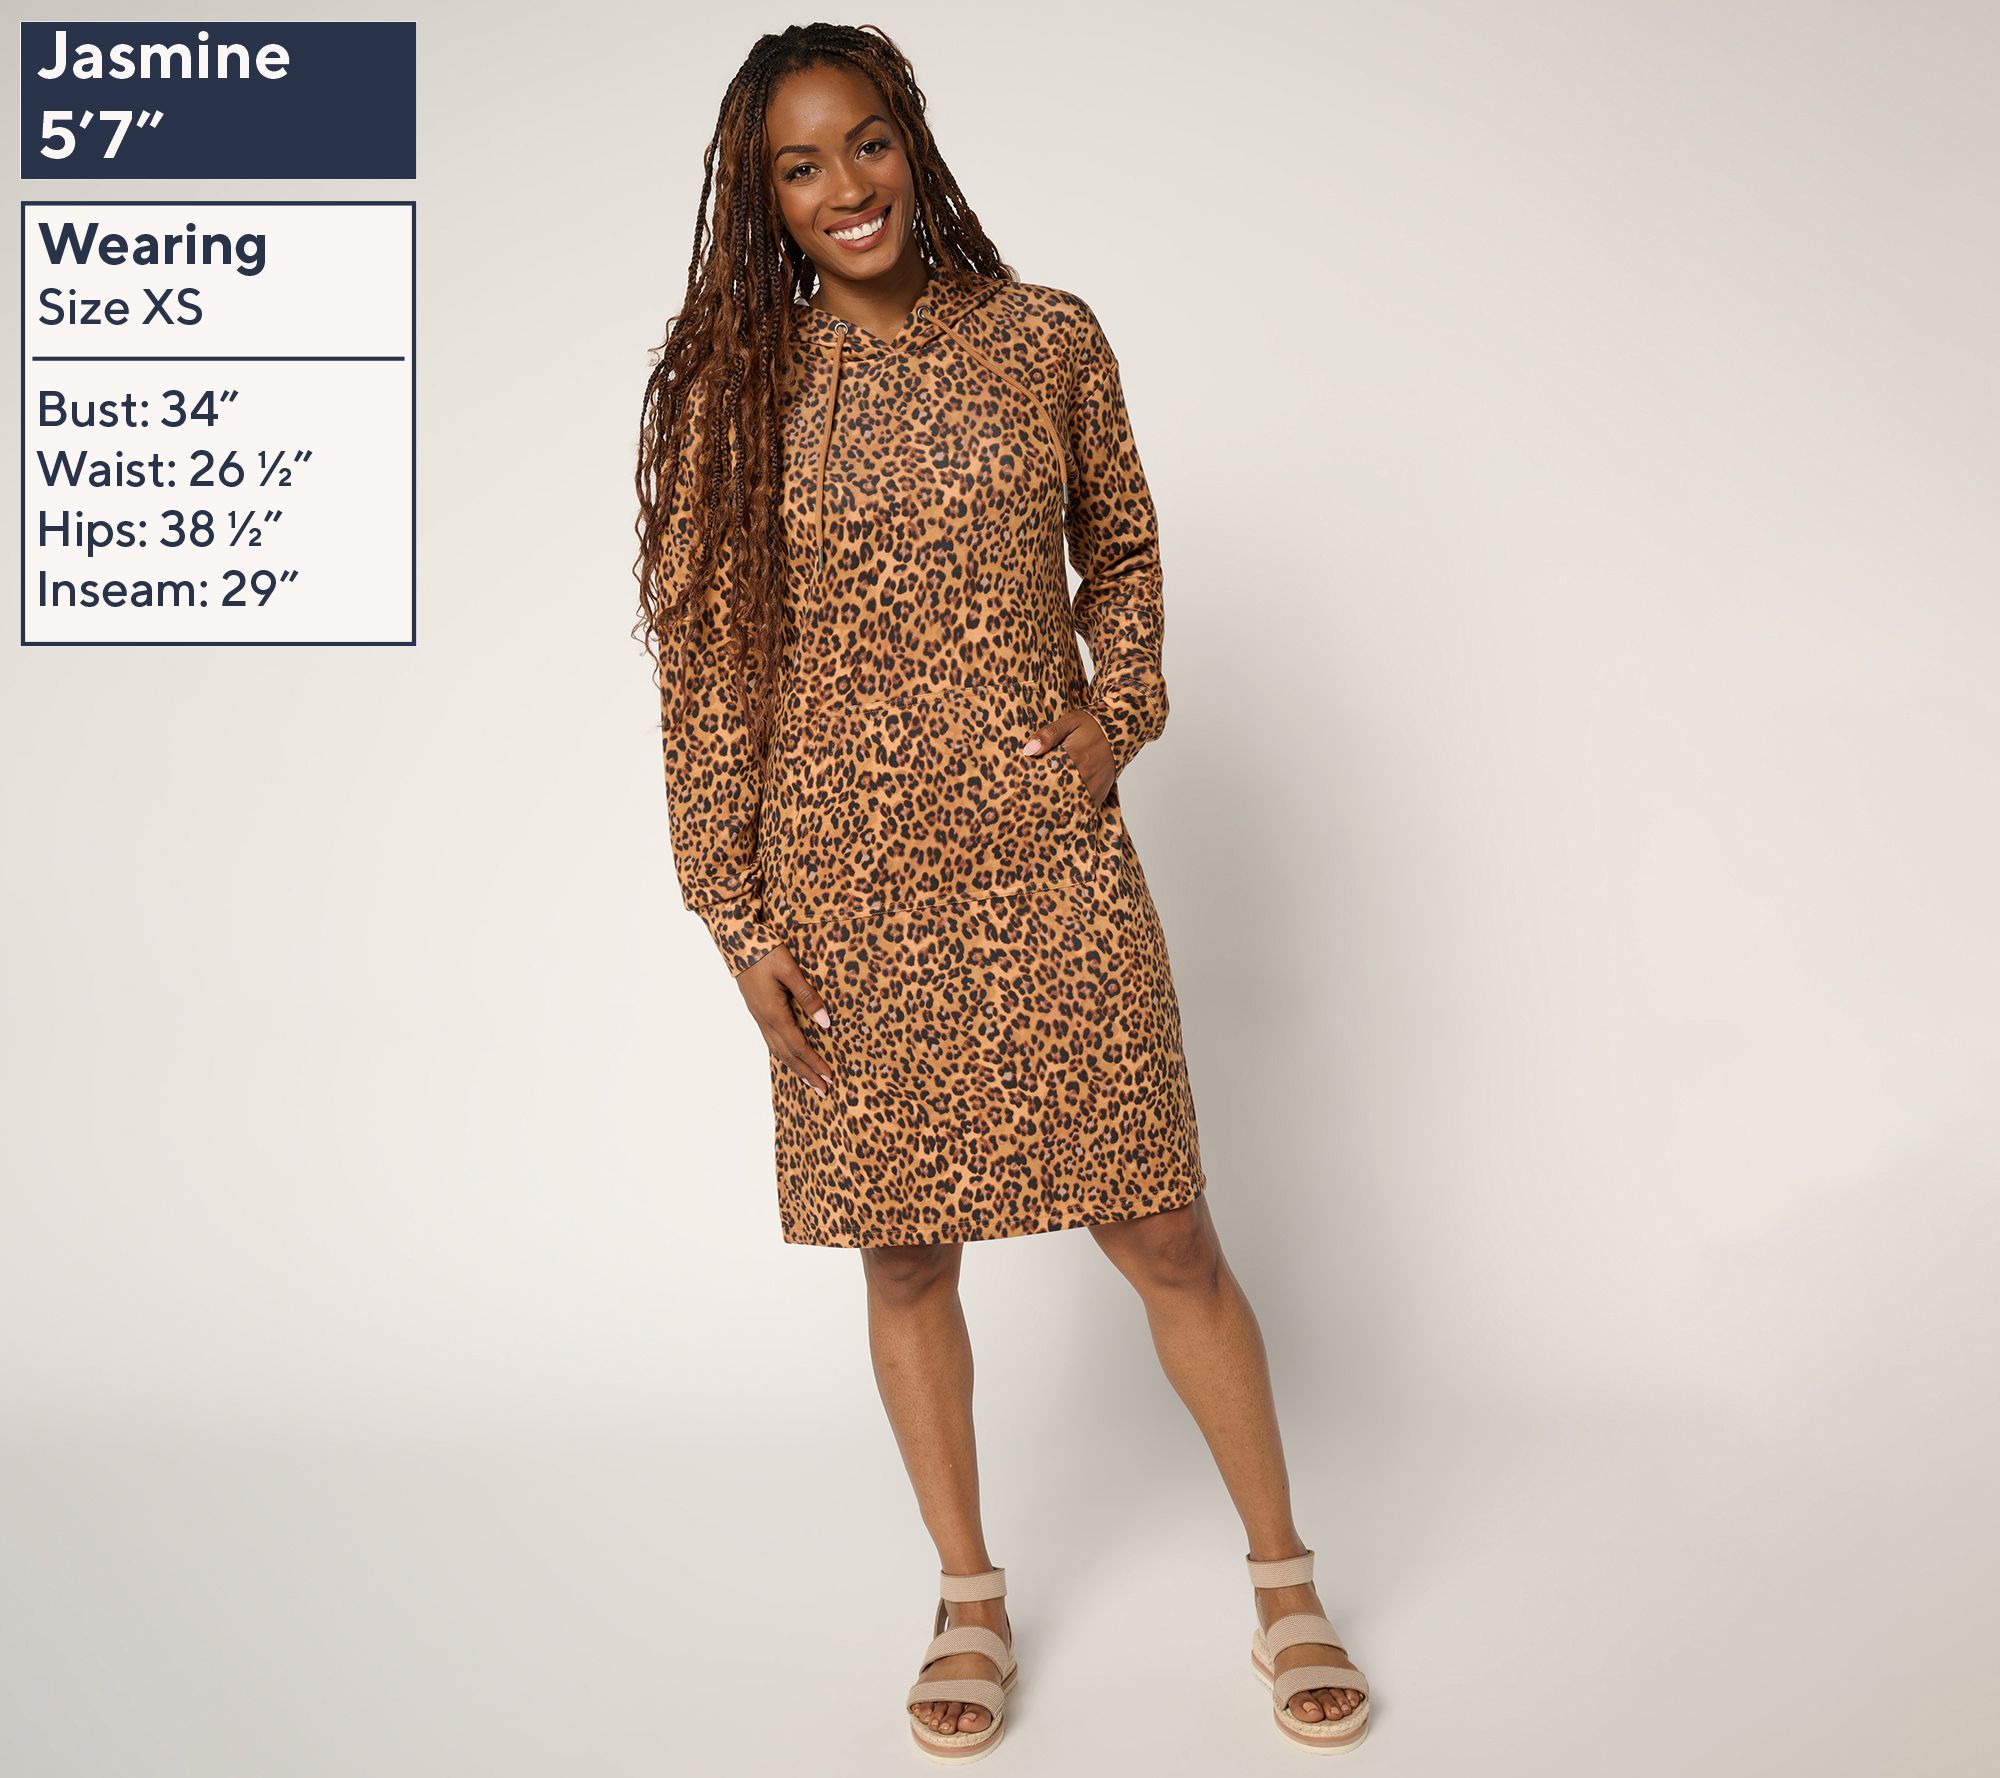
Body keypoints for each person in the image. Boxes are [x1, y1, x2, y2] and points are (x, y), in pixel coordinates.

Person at [633, 22, 1373, 1761]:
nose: (845, 187)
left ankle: (1283, 1572)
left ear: (913, 144)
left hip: (1046, 856)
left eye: (866, 143)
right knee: (904, 1251)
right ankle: (968, 1591)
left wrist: (1124, 708)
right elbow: (705, 674)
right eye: (799, 166)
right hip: (847, 881)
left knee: (1165, 1227)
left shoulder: (1046, 338)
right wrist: (735, 916)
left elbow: (1125, 547)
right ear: (761, 201)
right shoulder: (740, 394)